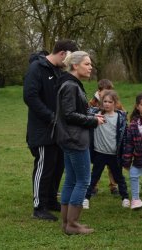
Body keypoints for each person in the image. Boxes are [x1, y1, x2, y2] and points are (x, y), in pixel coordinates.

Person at [23, 39, 78, 221]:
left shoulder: (58, 71)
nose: (70, 64)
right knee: (44, 166)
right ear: (62, 53)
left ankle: (51, 200)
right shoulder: (36, 69)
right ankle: (39, 207)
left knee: (57, 165)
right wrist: (51, 117)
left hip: (59, 130)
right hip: (42, 130)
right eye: (70, 59)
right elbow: (30, 97)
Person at [55, 51, 105, 235]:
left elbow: (73, 112)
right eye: (87, 64)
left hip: (69, 138)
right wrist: (92, 121)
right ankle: (73, 224)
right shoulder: (70, 85)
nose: (90, 67)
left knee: (71, 179)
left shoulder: (69, 83)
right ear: (75, 66)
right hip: (75, 139)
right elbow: (69, 115)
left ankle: (67, 223)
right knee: (83, 180)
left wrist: (91, 115)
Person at [83, 90, 130, 209]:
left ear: (115, 103)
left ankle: (125, 197)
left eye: (110, 102)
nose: (107, 104)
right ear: (101, 102)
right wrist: (95, 98)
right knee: (94, 176)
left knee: (119, 177)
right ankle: (86, 198)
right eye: (105, 101)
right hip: (99, 153)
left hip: (114, 154)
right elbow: (84, 111)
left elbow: (125, 137)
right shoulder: (95, 115)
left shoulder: (120, 118)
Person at [89, 79, 123, 196]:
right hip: (99, 140)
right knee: (97, 167)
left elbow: (122, 115)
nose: (107, 93)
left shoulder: (115, 102)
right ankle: (94, 186)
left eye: (110, 90)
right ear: (99, 91)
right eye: (105, 91)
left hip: (112, 140)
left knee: (113, 168)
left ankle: (114, 186)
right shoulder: (93, 102)